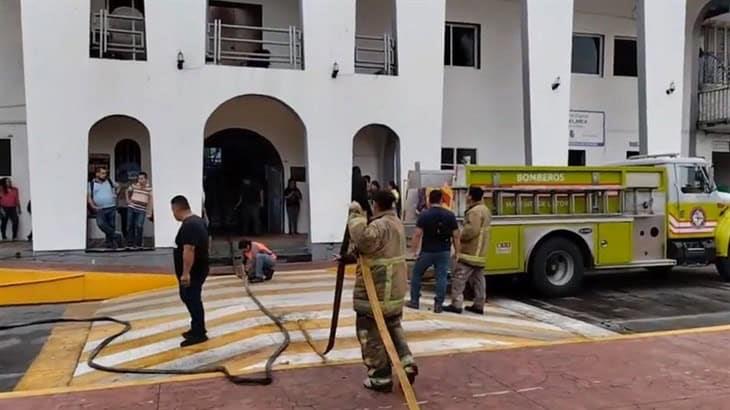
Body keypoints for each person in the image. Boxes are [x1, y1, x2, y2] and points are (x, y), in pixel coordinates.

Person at [345, 190, 417, 392]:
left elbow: (364, 240)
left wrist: (355, 216)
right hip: (394, 291)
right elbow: (376, 249)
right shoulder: (396, 223)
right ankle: (406, 362)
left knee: (371, 335)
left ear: (375, 204)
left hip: (376, 293)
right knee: (393, 327)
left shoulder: (380, 225)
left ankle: (380, 378)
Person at [407, 189, 460, 313]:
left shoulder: (424, 215)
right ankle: (438, 304)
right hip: (444, 251)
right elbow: (456, 235)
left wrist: (413, 251)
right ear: (441, 200)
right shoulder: (450, 215)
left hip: (427, 251)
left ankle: (414, 301)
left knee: (417, 274)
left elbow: (417, 234)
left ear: (429, 200)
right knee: (441, 277)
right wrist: (457, 252)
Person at [444, 187, 491, 315]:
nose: (466, 196)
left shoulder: (474, 212)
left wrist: (459, 236)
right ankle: (479, 304)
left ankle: (456, 304)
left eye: (467, 194)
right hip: (480, 253)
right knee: (479, 280)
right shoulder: (485, 210)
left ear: (470, 196)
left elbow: (471, 230)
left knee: (459, 278)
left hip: (470, 252)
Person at [171, 195, 210, 347]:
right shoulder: (196, 221)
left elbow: (189, 249)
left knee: (192, 298)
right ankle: (196, 327)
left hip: (194, 271)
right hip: (198, 268)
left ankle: (199, 333)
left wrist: (185, 273)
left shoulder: (190, 225)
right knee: (188, 297)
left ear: (176, 209)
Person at [87, 167, 123, 248]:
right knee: (101, 224)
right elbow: (89, 197)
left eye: (105, 173)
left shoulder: (109, 181)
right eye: (102, 173)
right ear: (97, 174)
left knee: (111, 225)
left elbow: (119, 186)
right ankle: (117, 236)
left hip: (111, 207)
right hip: (100, 209)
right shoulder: (91, 184)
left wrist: (116, 194)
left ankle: (109, 243)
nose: (104, 175)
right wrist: (93, 206)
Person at [126, 171, 153, 248]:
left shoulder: (149, 188)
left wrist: (149, 212)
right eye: (139, 179)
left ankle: (138, 244)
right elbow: (127, 191)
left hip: (142, 210)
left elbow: (151, 200)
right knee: (130, 225)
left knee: (139, 225)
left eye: (142, 179)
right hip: (132, 207)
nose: (140, 180)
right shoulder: (134, 186)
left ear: (146, 179)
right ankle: (130, 243)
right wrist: (128, 200)